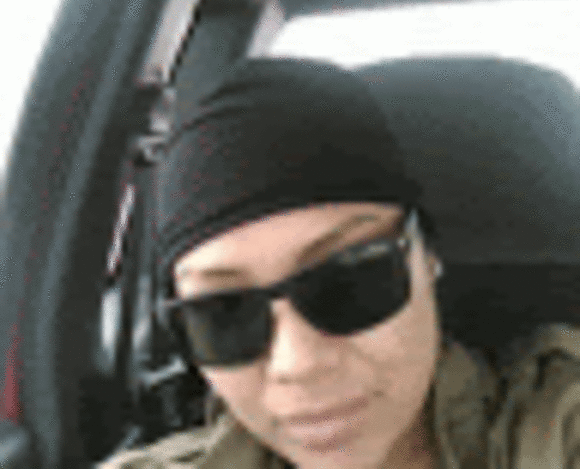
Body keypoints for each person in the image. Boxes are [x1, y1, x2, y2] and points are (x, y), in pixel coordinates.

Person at [98, 58, 580, 469]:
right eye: (222, 314)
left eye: (350, 281)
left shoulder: (556, 428)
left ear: (427, 257)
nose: (299, 365)